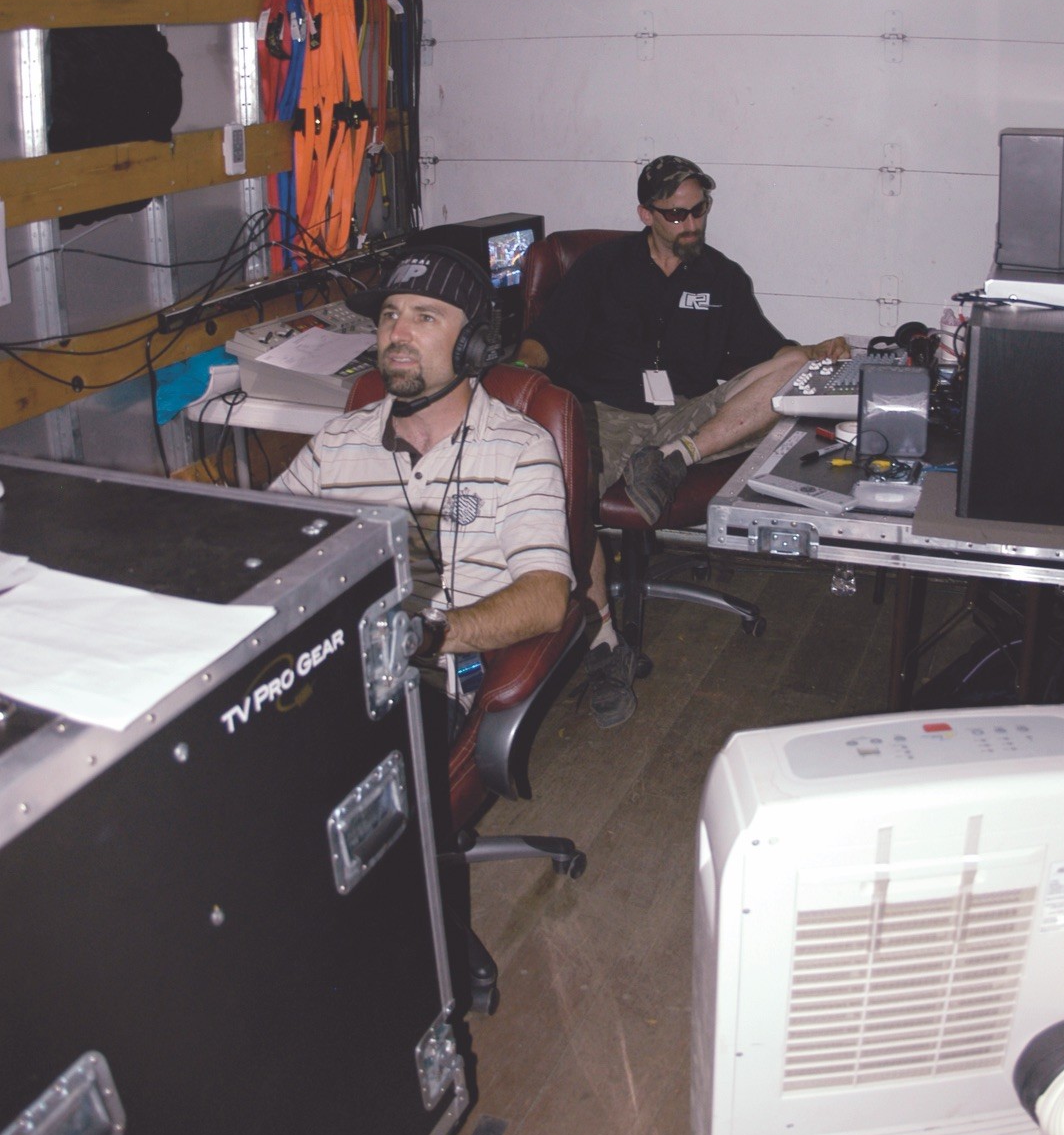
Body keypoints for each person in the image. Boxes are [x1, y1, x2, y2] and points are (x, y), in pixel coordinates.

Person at [516, 154, 849, 727]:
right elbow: (545, 339)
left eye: (699, 210)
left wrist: (817, 352)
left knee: (795, 368)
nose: (691, 224)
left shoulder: (722, 277)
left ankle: (674, 459)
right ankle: (603, 643)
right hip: (604, 413)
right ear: (645, 214)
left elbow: (769, 353)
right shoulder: (601, 268)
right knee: (561, 500)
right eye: (676, 214)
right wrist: (516, 374)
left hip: (688, 418)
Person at [273, 244, 574, 720]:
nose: (398, 333)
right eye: (390, 315)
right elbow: (265, 544)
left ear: (475, 345)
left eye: (425, 317)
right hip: (329, 671)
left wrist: (425, 635)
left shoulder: (521, 449)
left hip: (427, 688)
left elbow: (546, 597)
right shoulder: (334, 443)